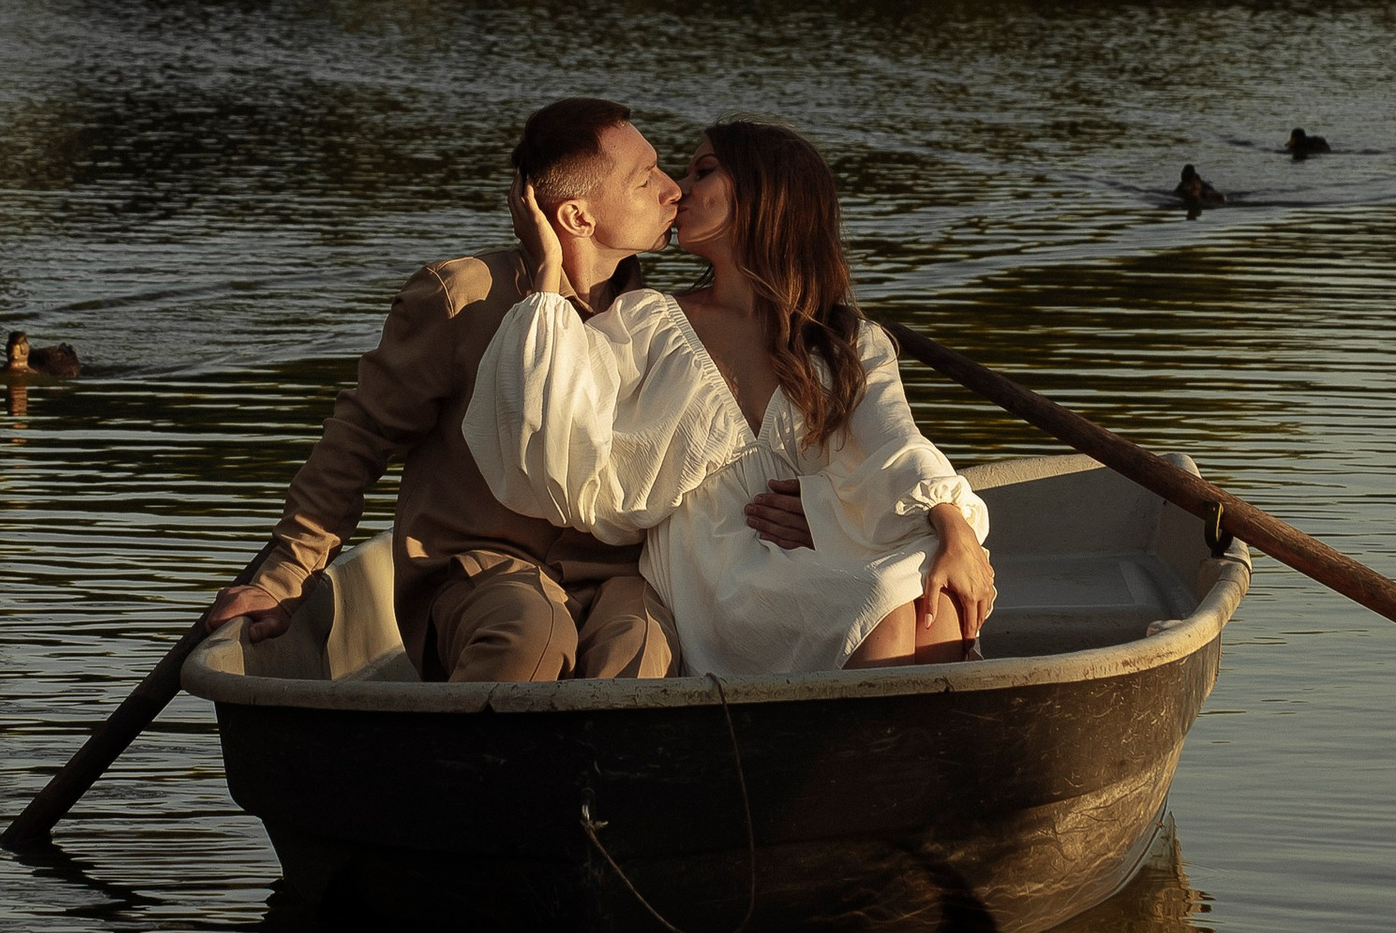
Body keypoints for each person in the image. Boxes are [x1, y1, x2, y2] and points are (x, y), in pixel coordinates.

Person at [462, 118, 995, 679]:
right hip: (717, 571)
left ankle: (898, 734)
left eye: (704, 171)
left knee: (936, 577)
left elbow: (896, 443)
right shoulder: (648, 323)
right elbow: (549, 431)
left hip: (827, 548)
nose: (678, 189)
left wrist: (950, 528)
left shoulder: (846, 341)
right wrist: (547, 270)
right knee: (883, 598)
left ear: (767, 194)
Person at [200, 99, 685, 684]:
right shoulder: (463, 297)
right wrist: (284, 577)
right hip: (480, 571)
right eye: (646, 178)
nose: (673, 189)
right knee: (529, 635)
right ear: (577, 217)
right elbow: (359, 440)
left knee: (642, 648)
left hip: (613, 575)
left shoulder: (661, 323)